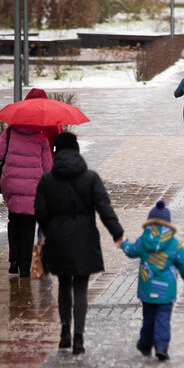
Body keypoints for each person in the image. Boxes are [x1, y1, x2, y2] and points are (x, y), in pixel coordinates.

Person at [34, 132, 124, 355]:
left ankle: (64, 330)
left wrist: (51, 229)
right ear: (76, 150)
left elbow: (40, 212)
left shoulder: (46, 180)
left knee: (64, 284)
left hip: (58, 240)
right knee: (81, 287)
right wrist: (117, 234)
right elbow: (104, 208)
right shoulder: (90, 177)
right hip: (84, 239)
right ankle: (79, 338)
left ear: (56, 152)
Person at [120, 200, 184, 361]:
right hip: (166, 291)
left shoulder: (144, 240)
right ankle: (161, 347)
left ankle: (145, 345)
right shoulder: (174, 244)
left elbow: (131, 251)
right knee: (162, 319)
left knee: (148, 318)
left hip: (147, 288)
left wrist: (123, 242)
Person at [0, 120, 52, 277]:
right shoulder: (41, 138)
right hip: (33, 188)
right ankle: (25, 268)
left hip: (11, 185)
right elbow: (48, 169)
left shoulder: (10, 133)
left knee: (13, 221)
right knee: (28, 226)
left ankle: (13, 260)